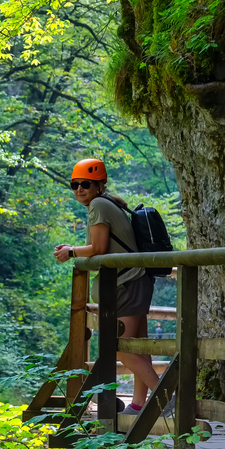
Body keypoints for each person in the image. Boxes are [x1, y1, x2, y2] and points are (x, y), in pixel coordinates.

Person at [53, 158, 159, 412]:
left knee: (119, 348)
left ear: (99, 185)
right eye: (75, 185)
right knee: (137, 347)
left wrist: (71, 251)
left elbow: (98, 249)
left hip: (127, 283)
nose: (80, 189)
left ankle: (168, 395)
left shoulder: (98, 205)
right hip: (133, 281)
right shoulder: (106, 203)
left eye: (85, 184)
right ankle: (137, 406)